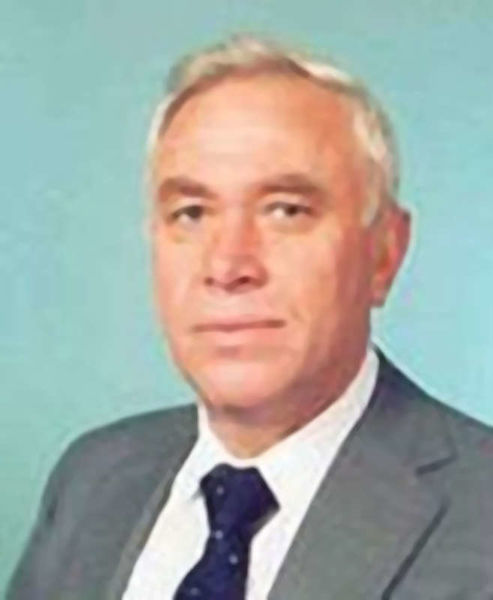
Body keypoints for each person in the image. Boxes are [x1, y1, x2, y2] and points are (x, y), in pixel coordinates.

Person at [7, 34, 493, 600]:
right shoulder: (93, 479)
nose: (228, 265)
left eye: (286, 210)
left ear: (384, 253)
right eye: (191, 213)